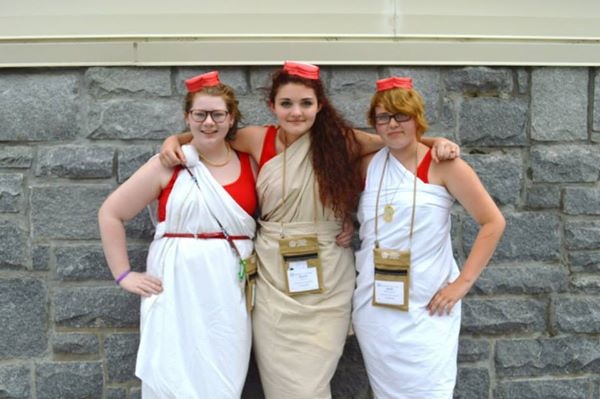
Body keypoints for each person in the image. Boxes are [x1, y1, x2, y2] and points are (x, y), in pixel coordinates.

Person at [159, 62, 460, 399]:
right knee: (283, 383)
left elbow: (397, 139)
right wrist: (173, 139)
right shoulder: (259, 138)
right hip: (274, 278)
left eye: (305, 103)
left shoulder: (341, 141)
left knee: (310, 383)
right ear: (272, 106)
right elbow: (208, 135)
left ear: (320, 105)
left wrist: (438, 141)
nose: (296, 112)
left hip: (328, 279)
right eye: (286, 104)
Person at [98, 71, 257, 398]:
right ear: (187, 117)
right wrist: (123, 275)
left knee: (223, 373)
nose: (208, 122)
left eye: (217, 114)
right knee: (172, 370)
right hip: (175, 283)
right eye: (200, 114)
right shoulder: (169, 164)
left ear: (231, 118)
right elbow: (111, 213)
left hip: (230, 286)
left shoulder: (251, 164)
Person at [352, 76, 506, 399]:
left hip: (428, 308)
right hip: (378, 309)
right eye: (384, 117)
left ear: (417, 118)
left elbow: (492, 222)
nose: (393, 124)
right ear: (374, 124)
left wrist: (462, 283)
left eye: (401, 116)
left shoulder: (444, 165)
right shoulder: (367, 166)